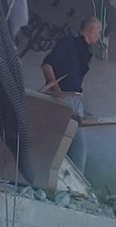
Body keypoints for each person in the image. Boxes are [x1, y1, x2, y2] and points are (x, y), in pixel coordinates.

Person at [41, 17, 102, 173]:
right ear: (91, 29)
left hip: (75, 101)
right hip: (61, 99)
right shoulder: (68, 43)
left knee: (76, 149)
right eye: (98, 32)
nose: (99, 36)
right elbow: (47, 65)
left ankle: (72, 184)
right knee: (68, 146)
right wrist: (57, 90)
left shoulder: (85, 50)